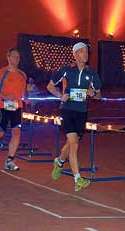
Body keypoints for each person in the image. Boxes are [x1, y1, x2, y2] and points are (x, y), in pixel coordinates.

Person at [46, 42, 102, 191]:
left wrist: (93, 93)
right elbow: (50, 86)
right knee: (74, 144)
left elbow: (99, 95)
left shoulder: (91, 73)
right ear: (75, 54)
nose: (86, 54)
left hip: (81, 112)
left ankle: (59, 162)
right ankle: (78, 179)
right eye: (82, 52)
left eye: (87, 52)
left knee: (72, 143)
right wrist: (59, 95)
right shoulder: (66, 70)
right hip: (67, 110)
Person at [0, 48, 27, 171]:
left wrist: (26, 97)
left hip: (17, 107)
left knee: (16, 133)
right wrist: (5, 97)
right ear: (8, 57)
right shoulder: (1, 73)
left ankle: (10, 160)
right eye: (14, 56)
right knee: (1, 133)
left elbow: (23, 91)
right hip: (3, 106)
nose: (17, 59)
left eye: (18, 57)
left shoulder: (22, 75)